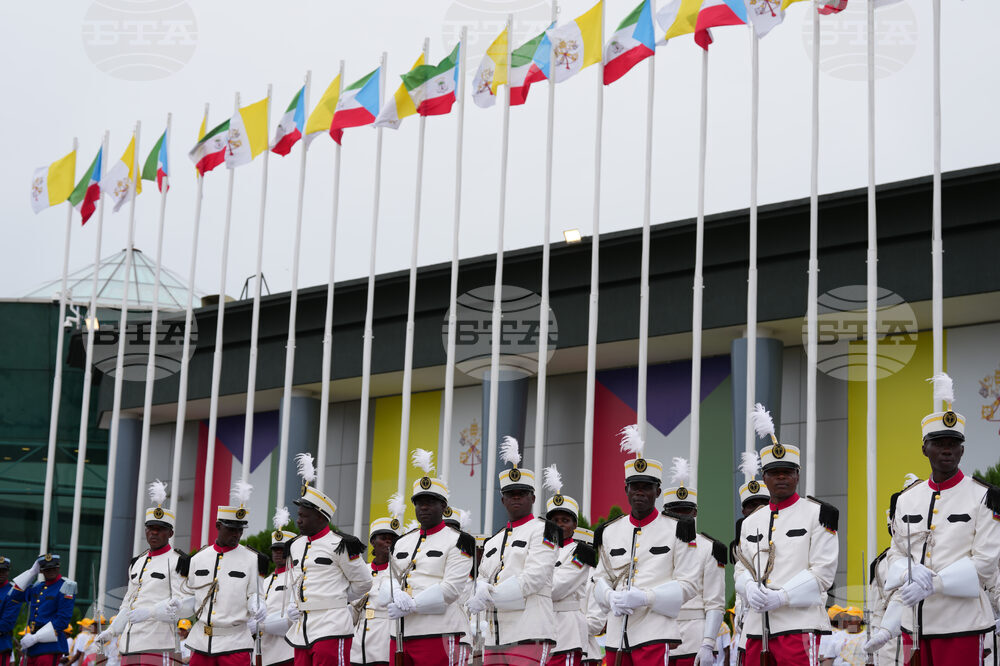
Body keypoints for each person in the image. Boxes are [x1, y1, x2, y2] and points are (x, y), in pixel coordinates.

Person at [864, 374, 1000, 665]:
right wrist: (905, 572)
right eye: (939, 443)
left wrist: (934, 584)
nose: (947, 449)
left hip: (962, 625)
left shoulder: (985, 497)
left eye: (953, 442)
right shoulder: (906, 499)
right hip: (914, 624)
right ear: (924, 448)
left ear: (963, 449)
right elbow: (897, 551)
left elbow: (986, 563)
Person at [733, 404, 839, 665]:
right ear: (764, 478)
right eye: (774, 473)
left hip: (798, 625)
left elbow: (823, 573)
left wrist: (782, 596)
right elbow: (741, 567)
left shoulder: (818, 514)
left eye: (787, 472)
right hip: (757, 628)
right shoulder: (751, 522)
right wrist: (747, 586)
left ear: (797, 476)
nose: (781, 477)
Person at [591, 425, 700, 665]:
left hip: (654, 633)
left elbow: (689, 584)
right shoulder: (609, 531)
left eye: (647, 487)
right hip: (616, 636)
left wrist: (646, 598)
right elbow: (599, 578)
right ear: (626, 490)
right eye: (635, 487)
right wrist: (609, 597)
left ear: (658, 491)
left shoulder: (678, 529)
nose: (640, 493)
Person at [380, 449, 475, 665]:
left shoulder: (459, 541)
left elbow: (451, 589)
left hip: (438, 633)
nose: (423, 507)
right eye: (419, 502)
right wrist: (395, 594)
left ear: (443, 506)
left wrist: (413, 604)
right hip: (400, 635)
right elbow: (387, 579)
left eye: (430, 502)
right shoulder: (402, 542)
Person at [469, 436, 559, 665]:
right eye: (510, 494)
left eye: (522, 493)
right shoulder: (492, 541)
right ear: (503, 500)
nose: (516, 497)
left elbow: (534, 578)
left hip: (529, 631)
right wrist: (479, 589)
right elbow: (483, 578)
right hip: (494, 635)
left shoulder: (545, 530)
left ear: (533, 498)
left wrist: (489, 595)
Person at [285, 453, 371, 664]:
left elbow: (364, 582)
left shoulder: (340, 544)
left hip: (331, 625)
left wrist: (337, 597)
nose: (298, 521)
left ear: (321, 517)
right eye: (298, 515)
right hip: (302, 628)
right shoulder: (295, 545)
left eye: (304, 516)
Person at [98, 480, 192, 661]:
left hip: (157, 645)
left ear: (170, 533)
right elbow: (128, 603)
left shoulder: (178, 562)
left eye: (160, 529)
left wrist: (151, 612)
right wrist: (112, 630)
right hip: (129, 644)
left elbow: (184, 605)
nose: (154, 533)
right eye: (150, 528)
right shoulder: (137, 562)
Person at [180, 481, 269, 665]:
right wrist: (177, 604)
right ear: (218, 526)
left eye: (239, 530)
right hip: (201, 643)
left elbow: (256, 594)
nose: (236, 534)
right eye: (231, 529)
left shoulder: (252, 559)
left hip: (234, 644)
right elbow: (190, 595)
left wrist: (257, 605)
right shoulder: (198, 558)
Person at [660, 458, 726, 666]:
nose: (680, 517)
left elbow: (715, 601)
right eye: (674, 512)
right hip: (657, 634)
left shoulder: (709, 548)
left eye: (685, 512)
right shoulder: (652, 544)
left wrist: (707, 643)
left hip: (694, 638)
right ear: (664, 513)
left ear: (695, 513)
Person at [541, 464, 597, 666]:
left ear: (575, 525)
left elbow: (556, 589)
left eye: (565, 520)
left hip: (567, 631)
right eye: (555, 520)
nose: (560, 524)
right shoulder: (538, 549)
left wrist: (530, 585)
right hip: (539, 630)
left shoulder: (582, 553)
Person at [729, 452, 771, 665]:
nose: (756, 510)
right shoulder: (740, 542)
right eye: (751, 505)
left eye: (762, 503)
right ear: (744, 510)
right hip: (748, 621)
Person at [350, 501, 404, 666]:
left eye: (392, 539)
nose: (388, 543)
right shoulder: (362, 570)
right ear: (373, 541)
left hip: (385, 641)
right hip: (359, 642)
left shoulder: (401, 572)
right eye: (383, 538)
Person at [9, 554, 76, 664]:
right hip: (32, 645)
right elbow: (14, 595)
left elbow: (62, 620)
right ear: (41, 571)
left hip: (50, 645)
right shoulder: (37, 587)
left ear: (58, 568)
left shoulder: (66, 587)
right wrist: (31, 573)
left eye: (54, 568)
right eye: (47, 569)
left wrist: (36, 637)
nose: (51, 571)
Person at [257, 507, 296, 666]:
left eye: (282, 550)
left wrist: (262, 625)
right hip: (262, 651)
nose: (278, 553)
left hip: (284, 652)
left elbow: (292, 620)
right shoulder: (265, 581)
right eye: (275, 549)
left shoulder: (296, 578)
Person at [0, 557, 22, 666]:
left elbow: (7, 623)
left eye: (3, 571)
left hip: (1, 645)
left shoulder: (13, 592)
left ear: (8, 572)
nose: (1, 573)